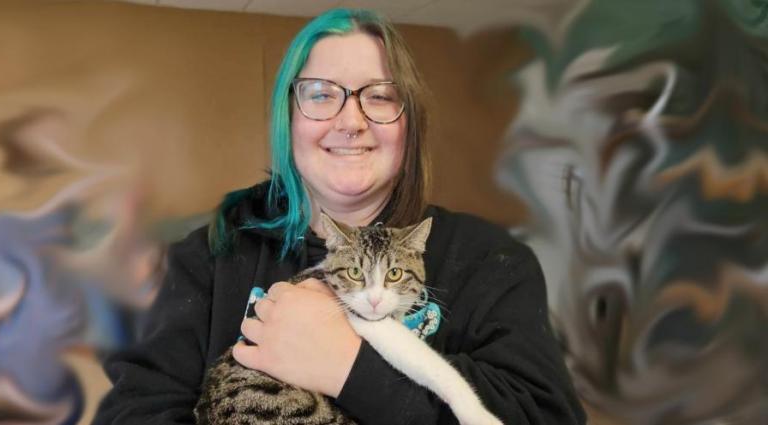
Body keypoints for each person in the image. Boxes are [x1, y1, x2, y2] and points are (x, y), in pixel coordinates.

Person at [93, 8, 586, 425]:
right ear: (289, 118)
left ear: (410, 124)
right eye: (321, 94)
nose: (351, 122)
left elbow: (544, 414)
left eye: (379, 96)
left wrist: (351, 368)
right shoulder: (205, 257)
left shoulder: (490, 260)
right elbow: (134, 412)